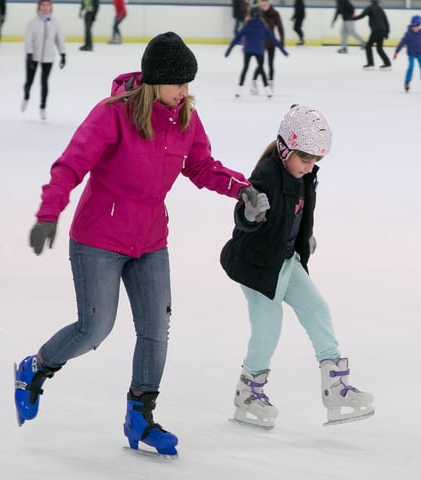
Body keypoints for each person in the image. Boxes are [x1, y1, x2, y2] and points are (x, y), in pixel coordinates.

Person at [14, 32, 260, 457]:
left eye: (188, 84)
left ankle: (140, 417)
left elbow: (201, 166)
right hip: (98, 238)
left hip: (149, 240)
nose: (185, 93)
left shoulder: (184, 117)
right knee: (94, 328)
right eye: (178, 84)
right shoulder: (113, 115)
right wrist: (48, 213)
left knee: (155, 331)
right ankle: (35, 368)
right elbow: (71, 164)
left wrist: (242, 189)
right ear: (154, 82)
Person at [220, 104, 374, 429]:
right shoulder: (266, 176)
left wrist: (303, 238)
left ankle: (335, 388)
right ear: (284, 147)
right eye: (304, 159)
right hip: (258, 267)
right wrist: (248, 215)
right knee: (268, 329)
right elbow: (243, 215)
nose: (309, 166)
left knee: (317, 309)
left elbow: (298, 212)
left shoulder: (305, 176)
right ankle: (248, 392)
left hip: (285, 260)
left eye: (315, 160)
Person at [225, 7, 288, 98]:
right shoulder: (263, 26)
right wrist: (283, 50)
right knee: (261, 69)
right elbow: (273, 39)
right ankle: (267, 91)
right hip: (259, 50)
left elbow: (237, 38)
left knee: (245, 69)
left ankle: (239, 90)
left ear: (250, 15)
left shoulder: (247, 25)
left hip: (248, 50)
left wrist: (229, 50)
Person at [22, 0, 66, 120]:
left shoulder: (55, 23)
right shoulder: (33, 23)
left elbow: (59, 39)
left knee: (44, 82)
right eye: (43, 5)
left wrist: (63, 54)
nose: (45, 7)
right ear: (39, 7)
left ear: (51, 7)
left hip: (48, 57)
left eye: (48, 5)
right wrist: (29, 54)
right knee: (29, 81)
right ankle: (26, 97)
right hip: (33, 56)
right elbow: (28, 39)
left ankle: (43, 107)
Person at [394, 14, 421, 92]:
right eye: (414, 26)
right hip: (411, 54)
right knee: (411, 67)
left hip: (419, 53)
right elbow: (402, 42)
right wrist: (397, 51)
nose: (415, 28)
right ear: (411, 25)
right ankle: (407, 82)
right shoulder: (408, 34)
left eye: (417, 26)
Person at [254, 0, 284, 88]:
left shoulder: (275, 14)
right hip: (260, 42)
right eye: (262, 4)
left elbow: (280, 28)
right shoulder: (257, 14)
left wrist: (281, 42)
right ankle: (254, 80)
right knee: (260, 64)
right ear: (260, 4)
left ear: (269, 3)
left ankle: (271, 83)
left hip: (271, 42)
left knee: (271, 64)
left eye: (265, 4)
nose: (264, 6)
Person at [353, 0, 389, 69]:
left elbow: (362, 15)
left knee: (368, 46)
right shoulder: (380, 9)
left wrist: (353, 18)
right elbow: (386, 21)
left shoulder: (369, 8)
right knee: (379, 48)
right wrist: (387, 32)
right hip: (382, 30)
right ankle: (387, 63)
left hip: (376, 31)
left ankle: (370, 63)